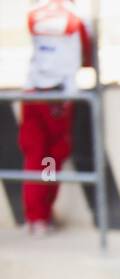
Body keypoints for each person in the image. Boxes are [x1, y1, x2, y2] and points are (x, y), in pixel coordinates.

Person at [18, 0, 92, 237]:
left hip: (32, 95)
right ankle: (43, 214)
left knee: (35, 156)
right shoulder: (76, 18)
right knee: (50, 158)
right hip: (58, 99)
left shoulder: (34, 14)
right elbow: (86, 57)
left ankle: (36, 216)